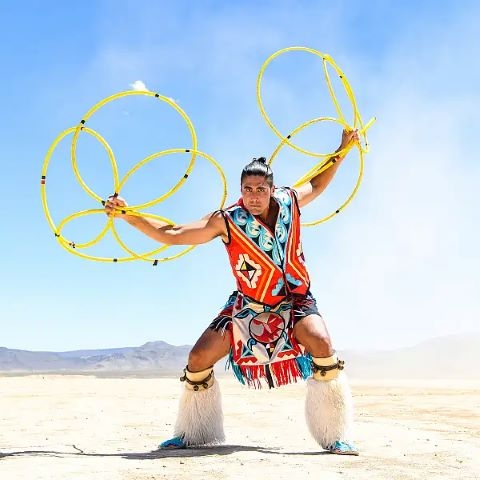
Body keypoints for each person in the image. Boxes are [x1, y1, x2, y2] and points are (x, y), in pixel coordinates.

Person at [105, 129, 360, 455]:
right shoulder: (226, 221)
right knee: (198, 358)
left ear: (271, 189)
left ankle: (335, 435)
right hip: (249, 306)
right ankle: (193, 433)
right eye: (248, 190)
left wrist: (343, 148)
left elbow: (319, 183)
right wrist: (129, 215)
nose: (254, 196)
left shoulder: (289, 201)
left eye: (261, 190)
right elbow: (174, 234)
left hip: (295, 300)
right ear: (241, 190)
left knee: (322, 343)